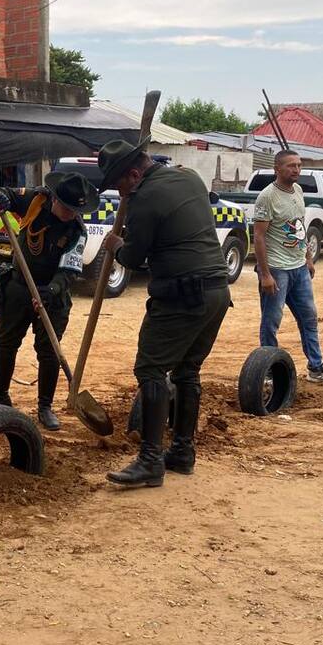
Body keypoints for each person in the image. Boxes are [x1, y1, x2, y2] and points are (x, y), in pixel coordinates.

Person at [98, 141, 230, 487]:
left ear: (134, 174)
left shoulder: (145, 199)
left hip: (181, 296)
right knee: (187, 371)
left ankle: (150, 460)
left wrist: (115, 244)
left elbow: (132, 258)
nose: (119, 193)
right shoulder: (189, 178)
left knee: (150, 368)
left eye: (119, 185)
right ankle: (183, 453)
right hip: (217, 291)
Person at [0, 171, 99, 430]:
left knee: (49, 352)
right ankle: (0, 398)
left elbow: (69, 271)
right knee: (6, 342)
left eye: (76, 211)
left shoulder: (77, 231)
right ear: (54, 199)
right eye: (67, 208)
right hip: (19, 286)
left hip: (52, 293)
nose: (72, 214)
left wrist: (51, 291)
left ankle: (45, 406)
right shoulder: (34, 200)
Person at [252, 150, 323, 385]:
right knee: (271, 322)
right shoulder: (267, 197)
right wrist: (265, 274)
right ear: (277, 169)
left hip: (299, 268)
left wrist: (308, 258)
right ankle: (268, 370)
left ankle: (316, 367)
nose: (297, 169)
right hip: (277, 270)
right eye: (291, 165)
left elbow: (299, 227)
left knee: (309, 318)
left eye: (299, 165)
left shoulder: (299, 191)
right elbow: (258, 237)